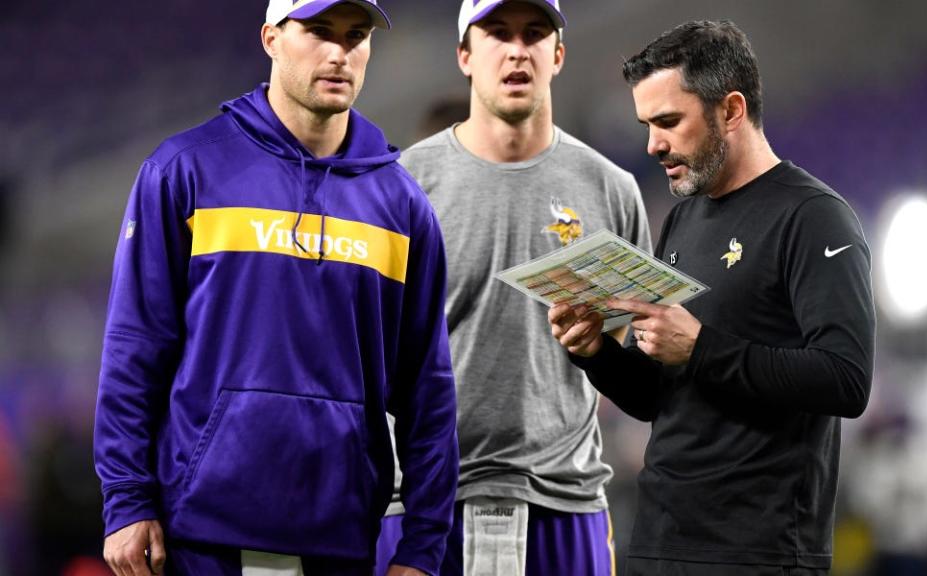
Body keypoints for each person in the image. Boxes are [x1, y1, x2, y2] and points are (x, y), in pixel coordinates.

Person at [93, 1, 459, 575]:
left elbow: (427, 390)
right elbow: (134, 350)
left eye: (356, 35)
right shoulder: (183, 171)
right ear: (270, 39)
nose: (339, 53)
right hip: (198, 536)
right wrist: (125, 500)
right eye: (318, 31)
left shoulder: (403, 207)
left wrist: (423, 547)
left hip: (340, 538)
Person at [548, 20, 876, 576]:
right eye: (647, 124)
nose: (652, 143)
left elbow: (846, 379)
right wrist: (595, 353)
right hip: (659, 541)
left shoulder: (814, 217)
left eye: (669, 121)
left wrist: (701, 348)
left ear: (731, 110)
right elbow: (662, 398)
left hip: (761, 552)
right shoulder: (683, 217)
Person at [376, 1, 652, 574]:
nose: (516, 49)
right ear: (464, 56)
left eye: (534, 34)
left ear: (558, 54)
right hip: (425, 505)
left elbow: (633, 371)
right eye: (497, 33)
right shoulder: (400, 188)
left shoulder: (613, 191)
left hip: (566, 505)